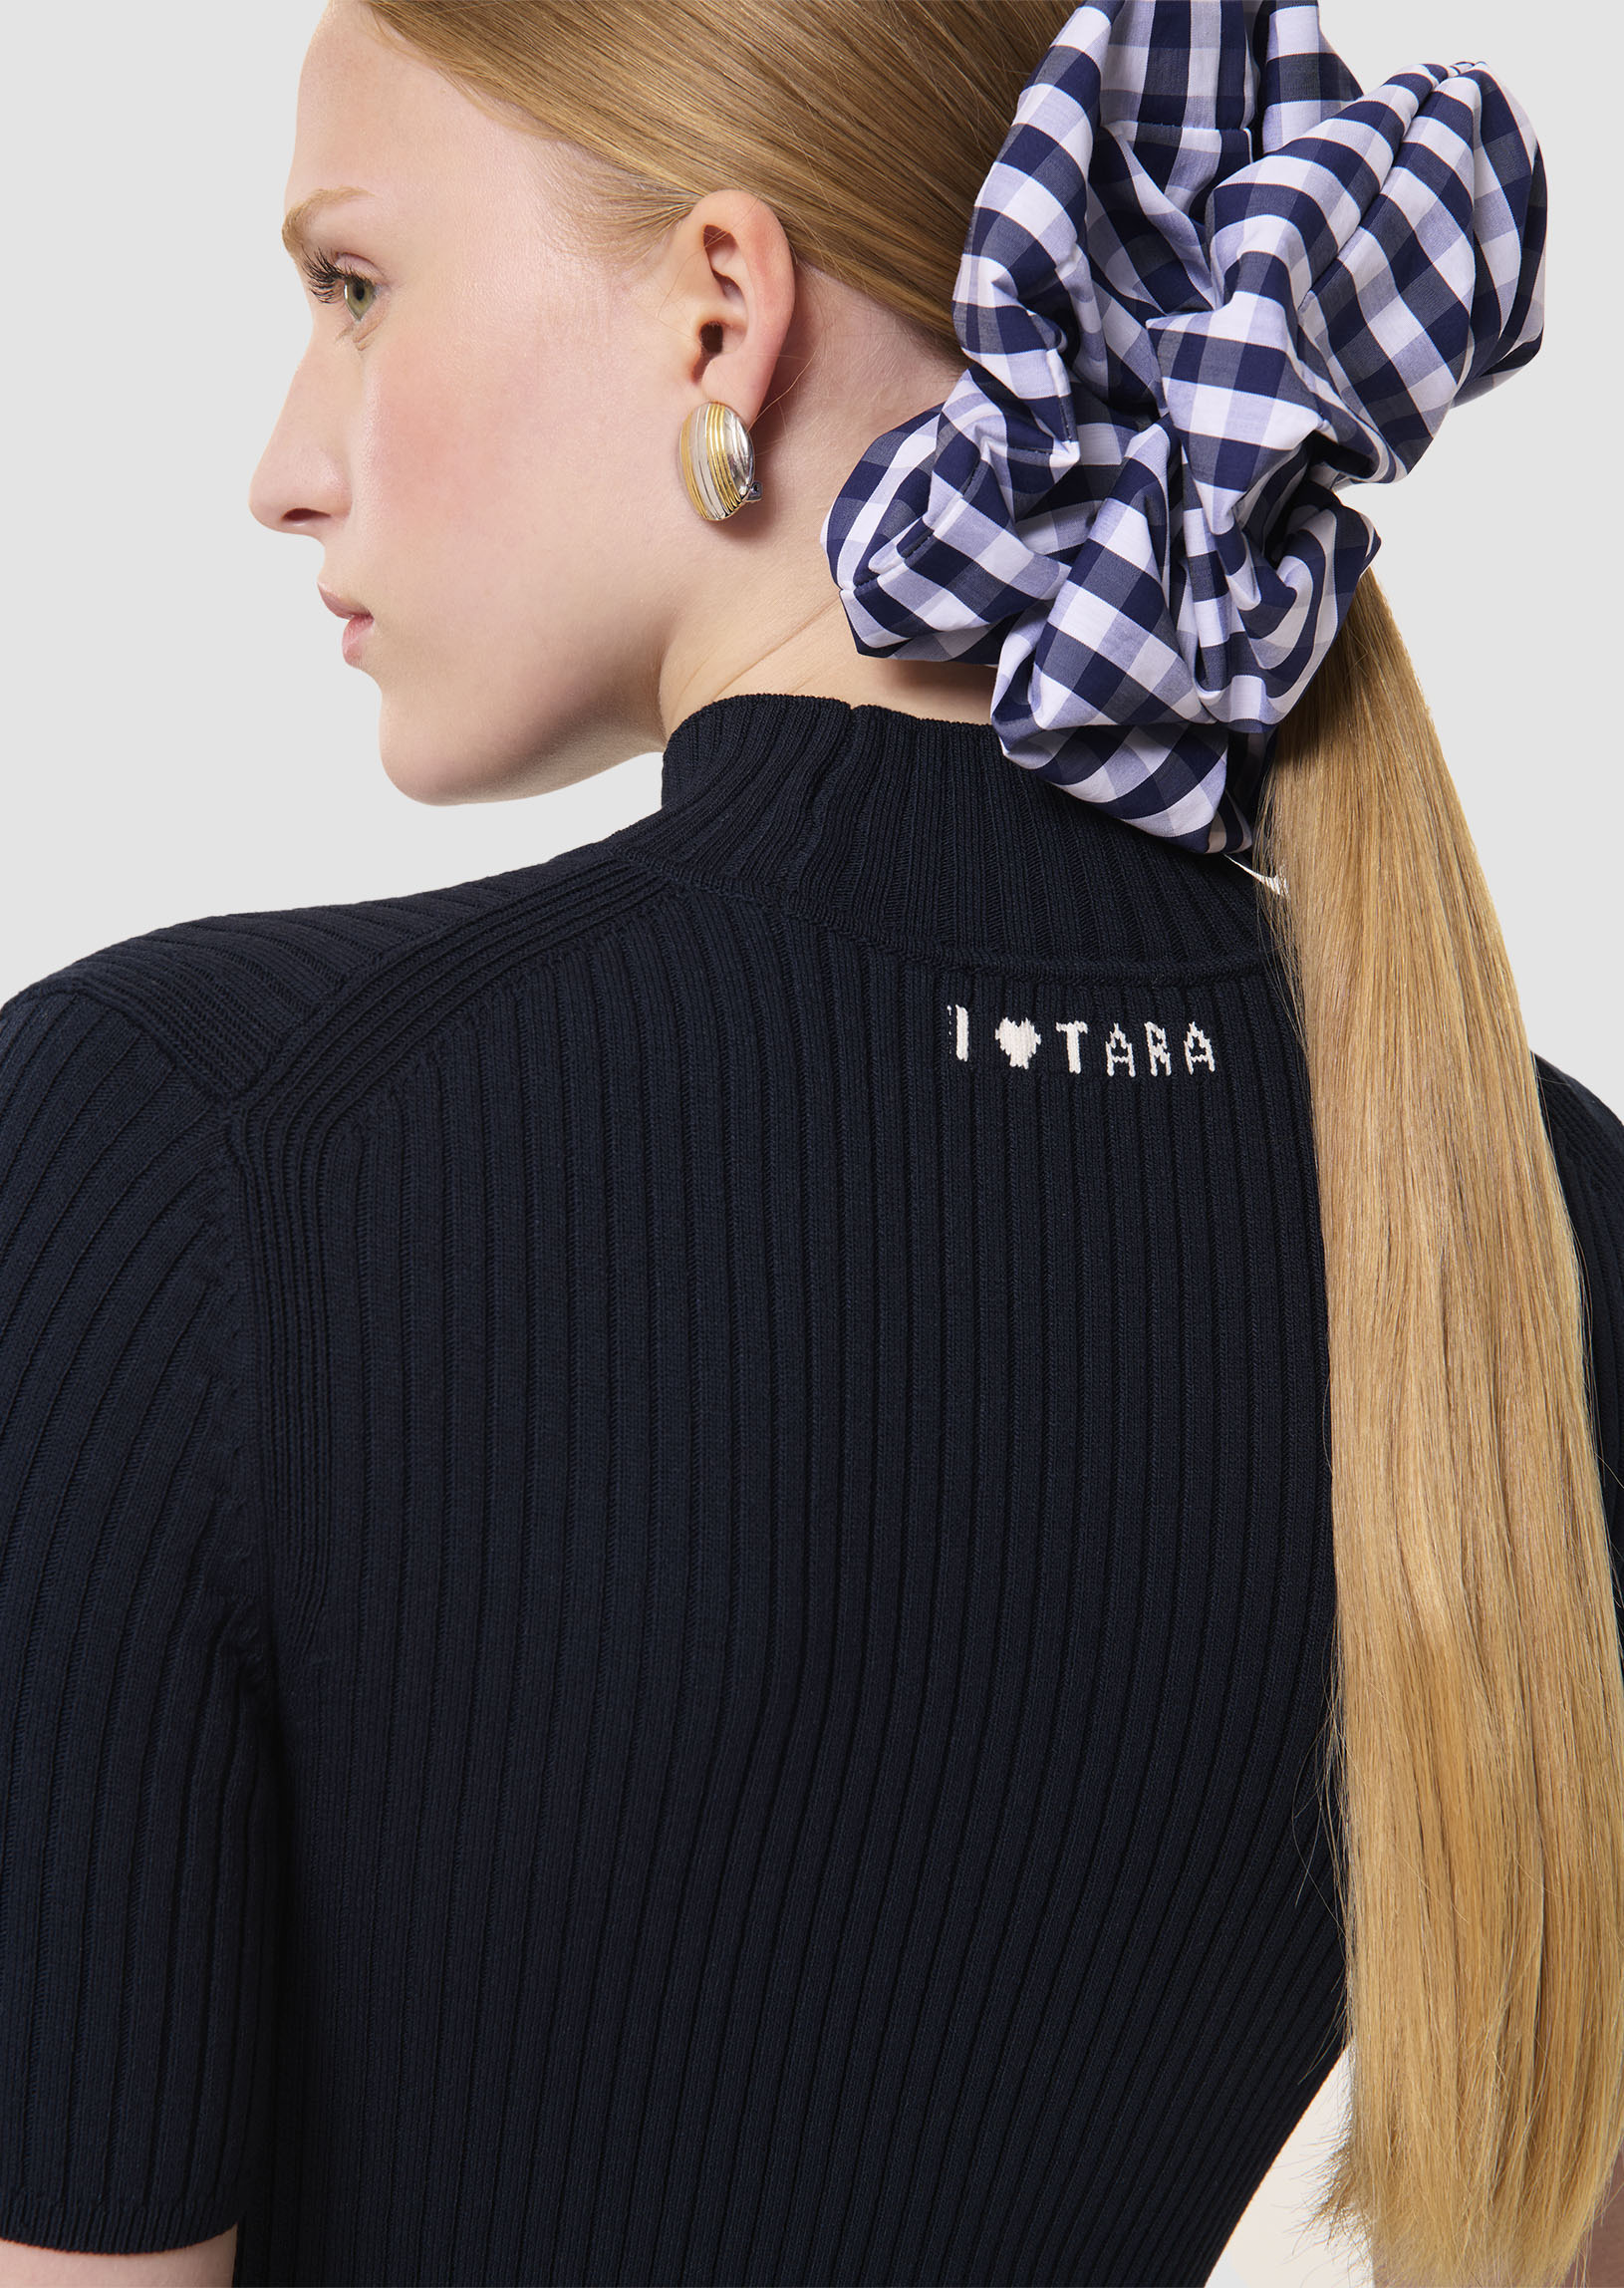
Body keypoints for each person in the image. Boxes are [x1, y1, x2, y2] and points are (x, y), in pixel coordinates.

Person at [1, 3, 1621, 2284]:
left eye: (353, 283)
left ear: (720, 314)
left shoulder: (193, 1137)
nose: (284, 465)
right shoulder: (1522, 1209)